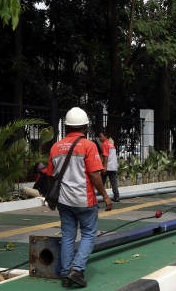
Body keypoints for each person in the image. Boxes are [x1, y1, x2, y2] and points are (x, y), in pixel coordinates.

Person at [47, 107, 113, 288]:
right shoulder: (89, 146)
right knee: (89, 235)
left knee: (68, 235)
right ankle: (76, 270)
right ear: (85, 126)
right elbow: (94, 175)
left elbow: (51, 176)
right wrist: (106, 196)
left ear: (67, 127)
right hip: (84, 200)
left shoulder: (55, 146)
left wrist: (51, 199)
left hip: (63, 201)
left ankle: (66, 272)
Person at [99, 132, 120, 202]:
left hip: (108, 166)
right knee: (113, 181)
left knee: (101, 180)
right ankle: (116, 196)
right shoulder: (111, 144)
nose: (99, 138)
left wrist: (104, 167)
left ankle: (99, 194)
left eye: (101, 136)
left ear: (105, 137)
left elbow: (106, 156)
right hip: (113, 166)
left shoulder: (104, 144)